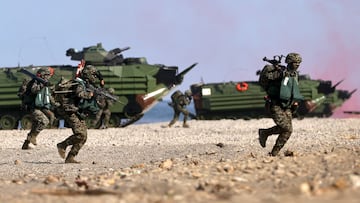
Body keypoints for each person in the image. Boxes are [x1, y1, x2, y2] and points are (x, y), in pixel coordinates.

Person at [258, 53, 304, 156]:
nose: (297, 65)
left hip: (287, 105)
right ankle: (264, 134)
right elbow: (264, 79)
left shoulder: (295, 75)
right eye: (295, 62)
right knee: (287, 128)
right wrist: (271, 68)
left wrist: (294, 102)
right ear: (289, 62)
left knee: (287, 130)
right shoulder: (280, 73)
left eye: (299, 63)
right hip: (275, 104)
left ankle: (273, 152)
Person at [56, 65, 100, 163]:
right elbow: (79, 93)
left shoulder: (85, 83)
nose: (95, 77)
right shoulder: (79, 83)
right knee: (80, 134)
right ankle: (62, 145)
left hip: (77, 111)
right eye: (93, 75)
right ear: (87, 74)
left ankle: (70, 157)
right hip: (70, 110)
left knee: (83, 137)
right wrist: (90, 95)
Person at [21, 67, 58, 150]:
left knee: (35, 126)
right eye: (48, 75)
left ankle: (26, 144)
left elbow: (48, 95)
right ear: (44, 75)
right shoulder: (36, 81)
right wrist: (42, 85)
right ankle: (32, 137)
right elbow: (34, 90)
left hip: (39, 106)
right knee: (44, 121)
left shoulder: (44, 82)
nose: (49, 77)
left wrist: (55, 104)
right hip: (32, 107)